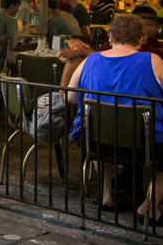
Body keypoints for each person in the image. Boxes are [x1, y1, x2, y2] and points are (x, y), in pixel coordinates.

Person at [66, 14, 163, 219]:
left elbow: (72, 97)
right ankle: (149, 206)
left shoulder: (90, 60)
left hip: (95, 140)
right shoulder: (153, 61)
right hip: (144, 144)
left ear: (110, 37)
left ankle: (107, 195)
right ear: (140, 39)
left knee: (101, 128)